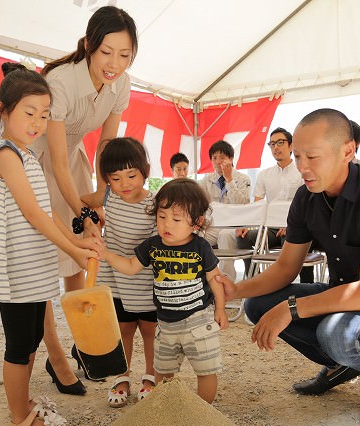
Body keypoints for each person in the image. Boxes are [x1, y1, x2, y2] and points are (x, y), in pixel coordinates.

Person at [218, 108, 360, 426]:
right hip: (343, 298)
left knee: (336, 332)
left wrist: (292, 308)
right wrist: (235, 289)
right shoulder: (306, 197)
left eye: (312, 157)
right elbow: (286, 268)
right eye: (298, 155)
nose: (302, 167)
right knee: (258, 304)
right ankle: (342, 363)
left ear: (348, 151)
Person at [0, 63, 100, 426]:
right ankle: (19, 421)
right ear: (4, 111)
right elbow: (31, 214)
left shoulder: (28, 156)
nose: (38, 123)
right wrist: (73, 252)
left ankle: (25, 402)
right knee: (18, 347)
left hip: (34, 271)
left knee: (30, 342)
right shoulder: (5, 155)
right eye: (29, 113)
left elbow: (47, 214)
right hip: (15, 271)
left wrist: (79, 242)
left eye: (45, 115)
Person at [28, 6, 138, 385]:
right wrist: (83, 208)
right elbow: (55, 162)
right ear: (90, 44)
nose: (115, 63)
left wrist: (101, 194)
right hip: (34, 159)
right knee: (44, 258)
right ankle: (56, 358)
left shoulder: (121, 84)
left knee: (80, 253)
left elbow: (106, 144)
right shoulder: (60, 81)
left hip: (71, 158)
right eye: (107, 52)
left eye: (125, 55)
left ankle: (83, 344)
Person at [99, 178, 228, 403]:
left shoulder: (201, 246)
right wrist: (107, 254)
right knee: (162, 371)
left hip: (198, 320)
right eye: (162, 217)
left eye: (176, 219)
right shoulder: (153, 245)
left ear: (196, 223)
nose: (167, 224)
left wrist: (221, 309)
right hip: (166, 324)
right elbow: (130, 267)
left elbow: (214, 279)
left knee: (205, 369)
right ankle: (167, 409)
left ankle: (205, 412)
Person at [81, 137, 158, 407]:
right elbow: (83, 206)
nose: (124, 184)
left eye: (131, 175)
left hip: (145, 277)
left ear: (145, 171)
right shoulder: (107, 197)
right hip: (114, 276)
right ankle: (121, 375)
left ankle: (150, 377)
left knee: (150, 329)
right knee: (122, 329)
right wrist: (91, 223)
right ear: (107, 180)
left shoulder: (156, 204)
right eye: (115, 178)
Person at [233, 127, 305, 278]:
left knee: (296, 237)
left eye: (280, 143)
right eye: (272, 144)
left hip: (296, 226)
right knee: (243, 237)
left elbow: (307, 205)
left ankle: (301, 285)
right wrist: (247, 224)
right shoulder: (264, 175)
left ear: (291, 146)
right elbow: (258, 205)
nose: (275, 147)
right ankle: (255, 281)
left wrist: (290, 225)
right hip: (271, 229)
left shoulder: (302, 171)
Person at [198, 140, 251, 280]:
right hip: (214, 224)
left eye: (222, 157)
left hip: (235, 225)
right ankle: (202, 278)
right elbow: (200, 204)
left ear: (231, 158)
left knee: (225, 236)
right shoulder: (207, 180)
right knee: (196, 237)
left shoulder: (242, 178)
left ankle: (226, 280)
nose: (218, 162)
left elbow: (243, 203)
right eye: (214, 158)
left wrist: (229, 180)